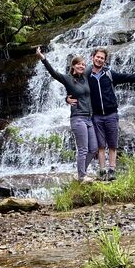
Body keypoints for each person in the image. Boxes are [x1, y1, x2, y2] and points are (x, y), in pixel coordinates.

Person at [68, 47, 135, 181]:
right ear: (92, 57)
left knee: (112, 144)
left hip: (111, 114)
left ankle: (112, 170)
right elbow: (74, 86)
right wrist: (67, 98)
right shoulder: (86, 76)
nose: (99, 59)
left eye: (102, 58)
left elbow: (128, 77)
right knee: (100, 145)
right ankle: (102, 171)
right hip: (96, 115)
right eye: (97, 57)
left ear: (105, 61)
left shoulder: (109, 74)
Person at [36, 46, 98, 182]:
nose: (82, 66)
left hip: (89, 118)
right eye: (79, 64)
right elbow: (53, 73)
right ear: (73, 66)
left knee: (93, 149)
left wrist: (98, 54)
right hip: (78, 118)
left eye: (83, 64)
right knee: (83, 149)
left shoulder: (86, 76)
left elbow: (95, 62)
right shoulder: (67, 79)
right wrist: (43, 58)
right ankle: (82, 176)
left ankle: (81, 173)